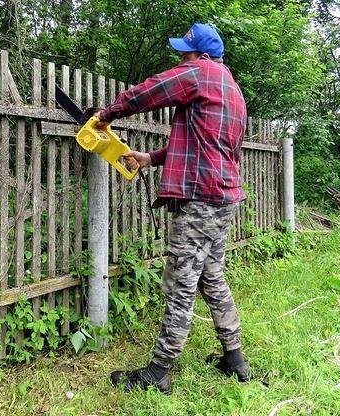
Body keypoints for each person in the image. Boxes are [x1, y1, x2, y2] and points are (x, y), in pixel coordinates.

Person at [94, 23, 250, 394]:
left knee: (181, 280)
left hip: (200, 200)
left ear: (204, 55)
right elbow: (207, 148)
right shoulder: (233, 91)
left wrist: (107, 114)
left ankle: (158, 372)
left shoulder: (200, 72)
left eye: (186, 52)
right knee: (211, 275)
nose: (182, 58)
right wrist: (150, 157)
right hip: (224, 197)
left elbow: (151, 91)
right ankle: (235, 359)